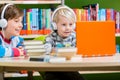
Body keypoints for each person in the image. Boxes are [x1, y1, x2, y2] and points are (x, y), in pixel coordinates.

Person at [44, 5, 85, 80]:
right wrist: (52, 50)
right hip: (53, 69)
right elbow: (46, 49)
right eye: (64, 24)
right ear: (55, 26)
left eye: (71, 24)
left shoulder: (75, 36)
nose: (68, 28)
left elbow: (80, 50)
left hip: (70, 68)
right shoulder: (51, 37)